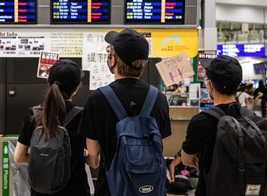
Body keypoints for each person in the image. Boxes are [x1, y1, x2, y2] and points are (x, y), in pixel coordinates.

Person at [78, 29, 171, 196]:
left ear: (113, 60)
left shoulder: (97, 99)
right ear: (143, 63)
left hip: (112, 188)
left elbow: (94, 159)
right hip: (150, 187)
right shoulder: (159, 98)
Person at [13, 59, 89, 195]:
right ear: (76, 88)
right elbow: (94, 162)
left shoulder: (34, 114)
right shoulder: (83, 116)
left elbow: (19, 157)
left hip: (41, 190)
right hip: (75, 189)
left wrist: (45, 160)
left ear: (49, 83)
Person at [181, 55, 245, 196]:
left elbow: (186, 159)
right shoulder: (251, 118)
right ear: (237, 85)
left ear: (209, 84)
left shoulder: (201, 121)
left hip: (210, 189)